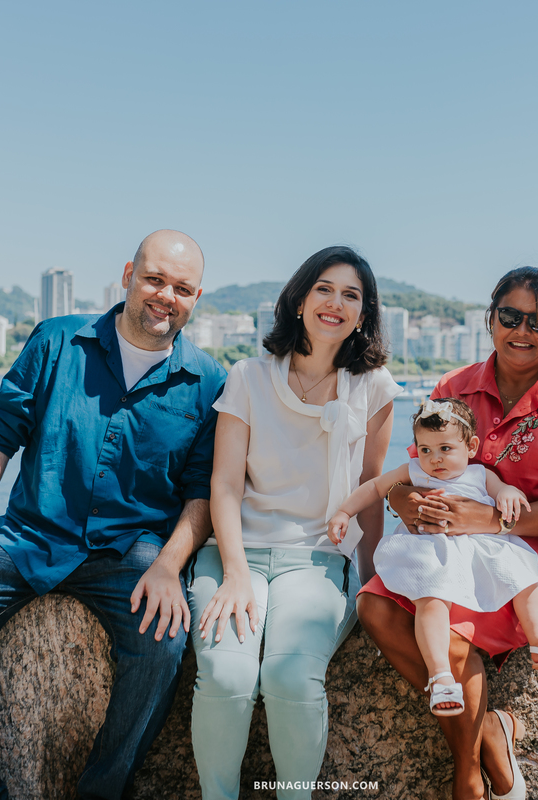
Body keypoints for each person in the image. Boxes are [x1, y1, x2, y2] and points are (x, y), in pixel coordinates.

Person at [0, 230, 226, 800]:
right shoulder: (56, 341)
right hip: (29, 537)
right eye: (154, 279)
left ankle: (103, 792)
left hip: (132, 552)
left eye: (182, 288)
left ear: (197, 297)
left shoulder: (208, 382)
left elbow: (202, 493)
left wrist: (171, 566)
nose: (165, 295)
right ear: (127, 274)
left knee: (163, 644)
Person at [357, 267, 538, 800]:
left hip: (528, 568)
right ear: (490, 317)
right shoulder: (453, 388)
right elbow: (412, 474)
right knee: (373, 607)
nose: (523, 330)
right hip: (443, 550)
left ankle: (468, 777)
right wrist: (409, 505)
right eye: (510, 316)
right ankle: (493, 736)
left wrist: (488, 519)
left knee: (449, 641)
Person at [189, 245, 400, 800]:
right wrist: (234, 571)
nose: (335, 303)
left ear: (364, 312)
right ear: (300, 299)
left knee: (288, 677)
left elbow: (372, 489)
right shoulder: (249, 376)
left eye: (351, 295)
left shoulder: (376, 388)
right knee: (228, 675)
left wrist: (374, 577)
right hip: (234, 552)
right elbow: (226, 484)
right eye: (324, 289)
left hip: (319, 560)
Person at [328, 397, 538, 718]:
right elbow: (374, 487)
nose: (434, 459)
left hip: (477, 548)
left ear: (470, 446)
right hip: (431, 551)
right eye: (425, 449)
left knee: (522, 573)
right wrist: (344, 512)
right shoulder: (413, 471)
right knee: (432, 599)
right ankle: (441, 675)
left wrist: (508, 493)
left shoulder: (480, 474)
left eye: (445, 449)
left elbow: (504, 490)